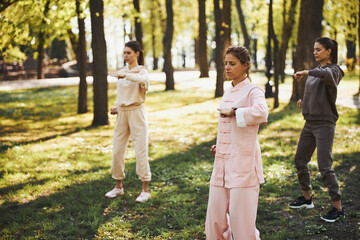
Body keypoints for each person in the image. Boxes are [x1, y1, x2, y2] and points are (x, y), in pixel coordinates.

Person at [205, 46, 268, 240]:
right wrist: (221, 145)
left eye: (232, 64)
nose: (227, 68)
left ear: (245, 66)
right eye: (225, 64)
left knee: (242, 223)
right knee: (214, 219)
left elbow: (262, 112)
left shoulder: (254, 90)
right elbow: (230, 128)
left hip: (244, 164)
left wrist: (235, 111)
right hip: (222, 162)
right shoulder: (228, 90)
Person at [289, 37, 345, 222]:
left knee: (325, 166)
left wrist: (307, 72)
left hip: (324, 124)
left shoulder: (335, 70)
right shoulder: (316, 72)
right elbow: (316, 93)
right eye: (314, 49)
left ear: (329, 51)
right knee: (300, 160)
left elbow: (327, 77)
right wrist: (304, 102)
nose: (315, 52)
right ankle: (307, 198)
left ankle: (337, 207)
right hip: (309, 123)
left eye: (318, 49)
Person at [105, 40, 151, 203]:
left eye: (129, 53)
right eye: (124, 53)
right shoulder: (122, 71)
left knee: (140, 150)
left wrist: (126, 75)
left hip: (137, 113)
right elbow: (120, 94)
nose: (126, 56)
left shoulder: (142, 71)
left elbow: (140, 80)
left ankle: (145, 189)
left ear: (137, 54)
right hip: (122, 114)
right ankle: (118, 186)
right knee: (117, 150)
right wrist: (116, 107)